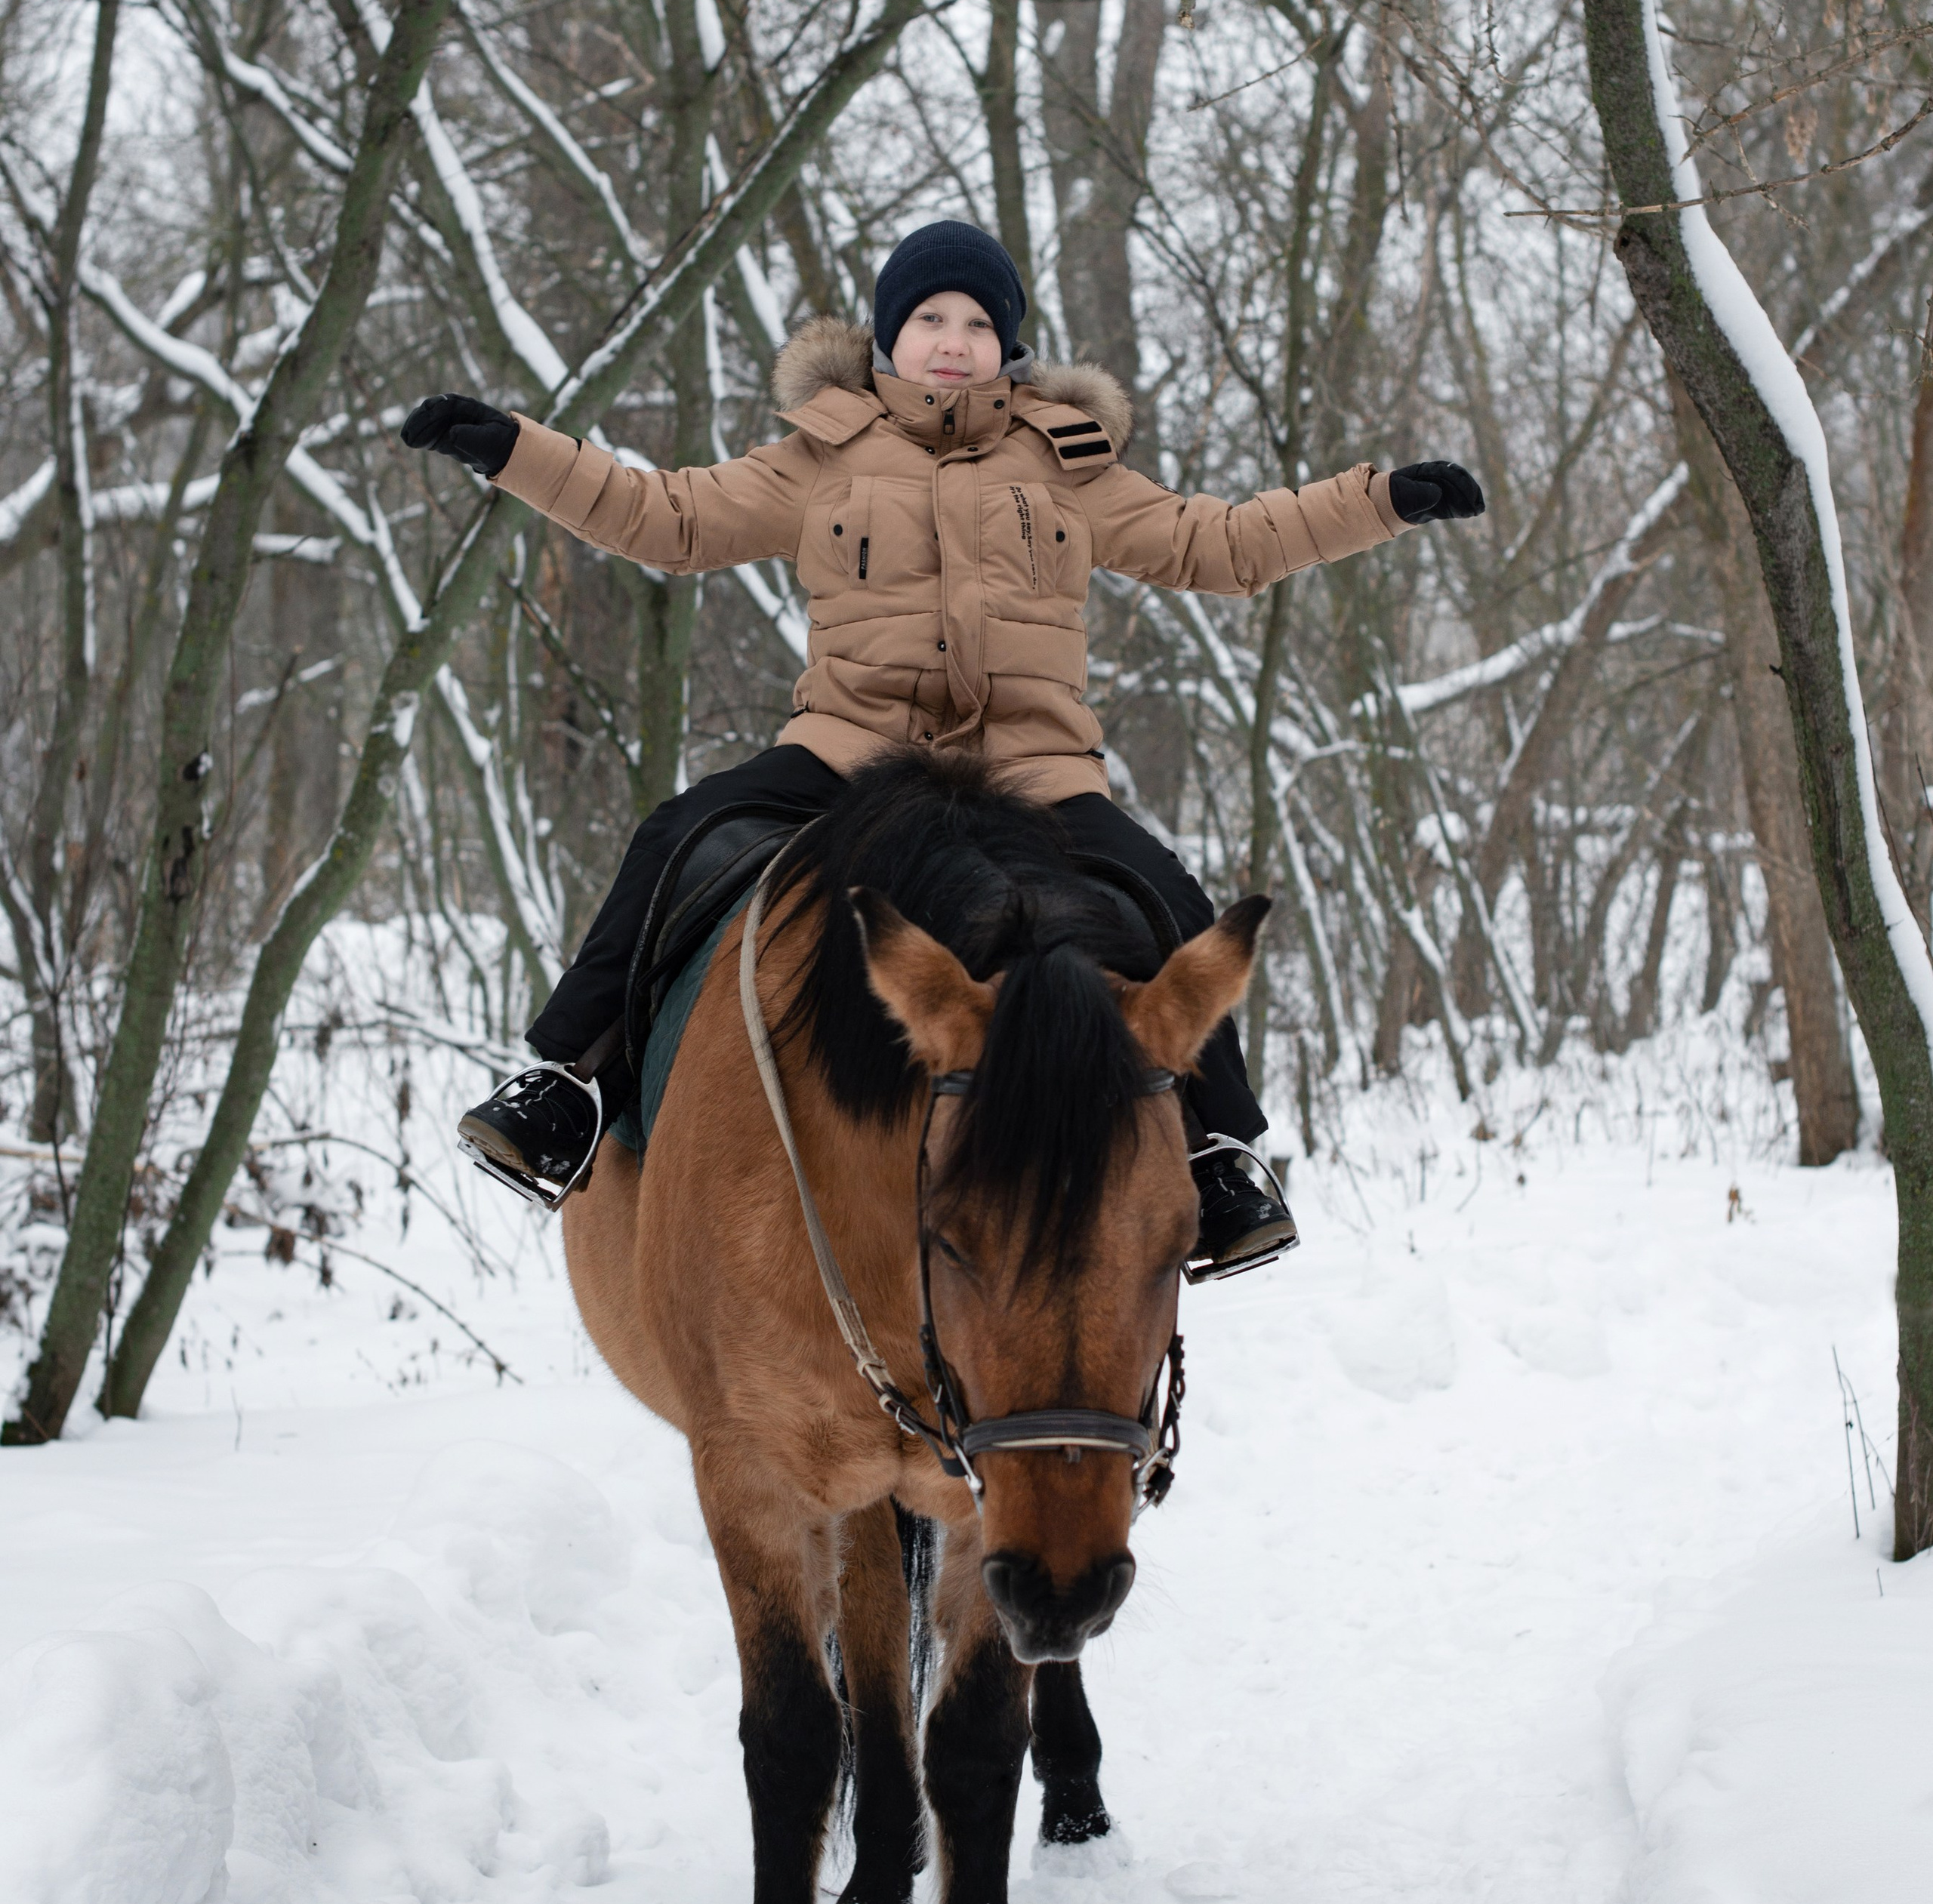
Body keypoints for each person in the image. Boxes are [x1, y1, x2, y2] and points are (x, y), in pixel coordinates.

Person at [401, 219, 1483, 1272]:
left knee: (1168, 899)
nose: (954, 339)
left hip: (1035, 765)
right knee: (684, 835)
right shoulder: (822, 454)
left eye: (978, 319)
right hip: (848, 748)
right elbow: (665, 518)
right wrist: (511, 448)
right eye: (930, 316)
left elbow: (1224, 544)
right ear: (888, 336)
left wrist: (1379, 501)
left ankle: (1214, 1150)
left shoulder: (1069, 465)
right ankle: (571, 1083)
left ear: (1009, 344)